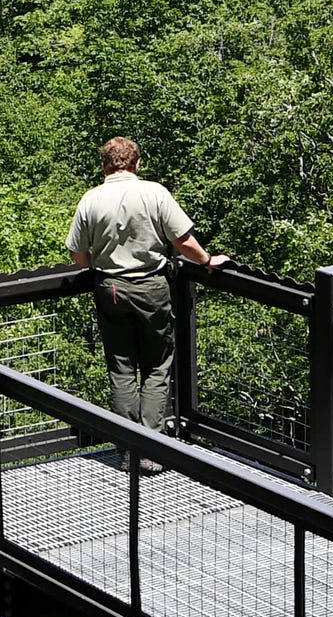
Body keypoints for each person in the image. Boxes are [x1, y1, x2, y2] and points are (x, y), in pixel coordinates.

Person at [65, 137, 226, 448]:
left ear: (104, 166)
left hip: (109, 288)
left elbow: (78, 255)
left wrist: (97, 263)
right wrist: (207, 261)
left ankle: (129, 449)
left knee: (121, 367)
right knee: (156, 365)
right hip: (152, 286)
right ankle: (151, 448)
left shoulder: (90, 199)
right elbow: (183, 241)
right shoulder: (154, 193)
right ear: (137, 164)